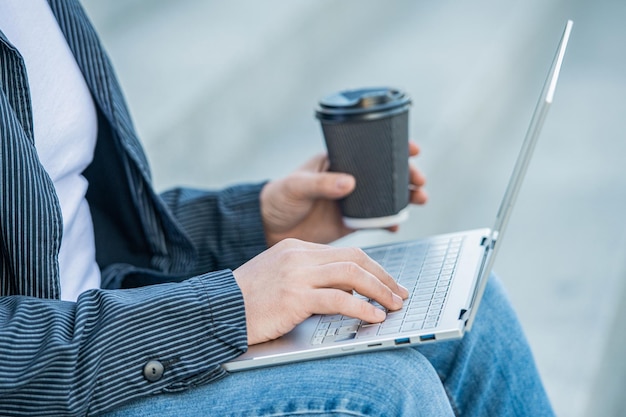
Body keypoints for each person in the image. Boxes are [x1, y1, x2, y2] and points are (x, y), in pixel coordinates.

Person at [0, 1, 555, 416]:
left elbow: (73, 225)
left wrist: (258, 218)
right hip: (49, 388)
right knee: (386, 394)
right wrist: (226, 308)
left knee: (469, 308)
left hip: (105, 325)